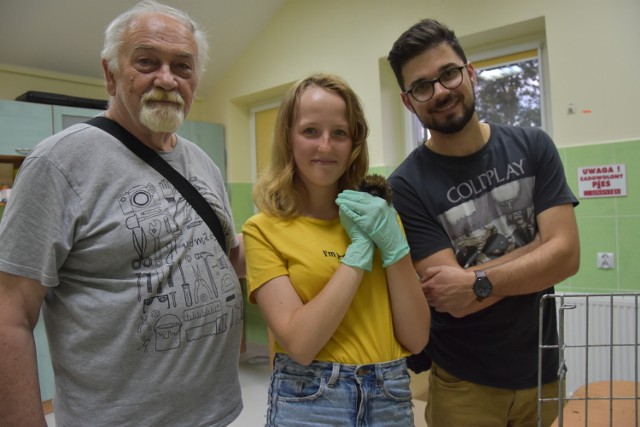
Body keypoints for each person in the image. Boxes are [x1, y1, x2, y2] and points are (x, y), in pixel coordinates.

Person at [0, 1, 245, 425]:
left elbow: (218, 256)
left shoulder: (203, 162)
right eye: (147, 62)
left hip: (216, 414)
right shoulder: (60, 162)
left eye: (182, 67)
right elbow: (9, 313)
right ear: (111, 74)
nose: (167, 79)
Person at [386, 19, 580, 427]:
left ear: (470, 73)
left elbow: (566, 257)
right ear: (408, 102)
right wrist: (540, 248)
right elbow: (451, 298)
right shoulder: (404, 186)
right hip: (464, 383)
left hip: (545, 371)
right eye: (422, 86)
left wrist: (476, 282)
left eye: (448, 73)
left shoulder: (533, 146)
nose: (440, 91)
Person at [242, 74, 430, 427]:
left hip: (390, 395)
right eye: (310, 131)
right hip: (311, 399)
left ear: (354, 142)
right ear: (288, 138)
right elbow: (300, 343)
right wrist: (359, 251)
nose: (326, 146)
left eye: (339, 133)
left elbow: (417, 338)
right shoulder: (263, 231)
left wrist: (394, 246)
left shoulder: (384, 220)